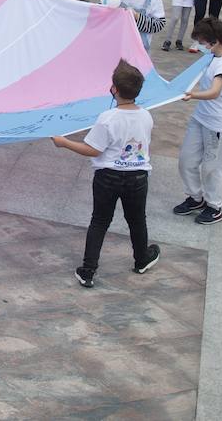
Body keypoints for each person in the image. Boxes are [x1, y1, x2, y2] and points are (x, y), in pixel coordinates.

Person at [51, 60, 160, 289]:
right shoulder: (146, 116)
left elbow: (93, 149)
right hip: (138, 177)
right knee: (137, 220)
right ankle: (142, 258)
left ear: (114, 89)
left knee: (100, 221)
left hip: (108, 177)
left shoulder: (108, 118)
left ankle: (88, 270)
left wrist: (65, 143)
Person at [175, 16, 222, 226]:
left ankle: (214, 207)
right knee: (186, 160)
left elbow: (215, 91)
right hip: (201, 118)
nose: (200, 45)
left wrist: (192, 95)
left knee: (212, 167)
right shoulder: (214, 56)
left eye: (202, 42)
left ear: (215, 41)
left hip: (218, 124)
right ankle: (195, 198)